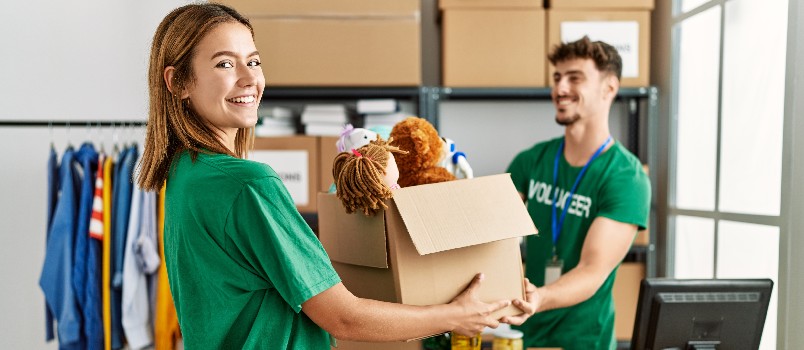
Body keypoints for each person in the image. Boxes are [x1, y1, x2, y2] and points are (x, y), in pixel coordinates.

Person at [136, 4, 537, 349]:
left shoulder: (186, 176)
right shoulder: (247, 184)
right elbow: (343, 318)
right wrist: (456, 314)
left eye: (253, 61)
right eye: (225, 63)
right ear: (178, 82)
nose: (249, 78)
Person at [506, 36, 651, 350]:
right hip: (525, 333)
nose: (560, 89)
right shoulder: (531, 161)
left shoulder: (626, 177)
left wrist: (540, 297)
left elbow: (592, 270)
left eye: (575, 78)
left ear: (608, 88)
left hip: (585, 340)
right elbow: (493, 234)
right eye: (557, 77)